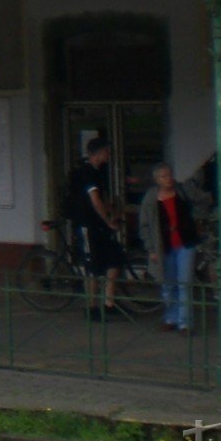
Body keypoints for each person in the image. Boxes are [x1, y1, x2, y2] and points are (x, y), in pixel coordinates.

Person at [138, 162, 202, 332]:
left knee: (184, 283)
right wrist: (150, 248)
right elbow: (144, 225)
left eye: (170, 175)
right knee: (168, 284)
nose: (168, 179)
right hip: (164, 246)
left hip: (185, 243)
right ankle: (171, 317)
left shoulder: (181, 191)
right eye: (164, 176)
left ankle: (185, 323)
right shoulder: (151, 198)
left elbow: (198, 200)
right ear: (157, 180)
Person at [67, 134, 125, 318]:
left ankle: (109, 303)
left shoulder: (99, 171)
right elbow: (95, 201)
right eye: (107, 151)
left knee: (114, 259)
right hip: (87, 224)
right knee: (92, 266)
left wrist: (112, 212)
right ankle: (91, 308)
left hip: (99, 226)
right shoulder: (86, 173)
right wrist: (108, 220)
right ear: (97, 153)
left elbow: (103, 199)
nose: (109, 155)